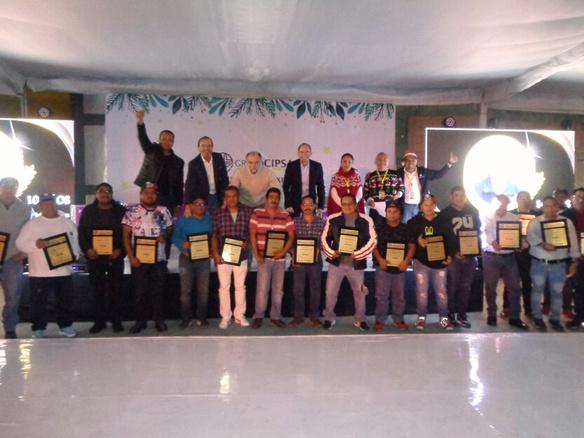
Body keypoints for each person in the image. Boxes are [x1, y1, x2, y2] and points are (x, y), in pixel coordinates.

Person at [15, 193, 79, 338]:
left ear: (55, 204)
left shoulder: (67, 223)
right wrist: (35, 245)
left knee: (65, 301)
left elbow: (75, 243)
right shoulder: (31, 224)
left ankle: (65, 326)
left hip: (63, 271)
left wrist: (74, 256)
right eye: (44, 204)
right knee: (38, 303)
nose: (48, 206)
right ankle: (38, 328)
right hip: (39, 272)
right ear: (40, 206)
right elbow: (20, 244)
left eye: (50, 203)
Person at [122, 182, 173, 334]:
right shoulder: (131, 212)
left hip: (159, 259)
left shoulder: (163, 211)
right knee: (139, 292)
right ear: (141, 195)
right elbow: (125, 236)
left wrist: (165, 235)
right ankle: (140, 321)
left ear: (156, 195)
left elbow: (170, 228)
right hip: (139, 260)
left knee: (159, 291)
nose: (149, 195)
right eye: (146, 193)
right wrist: (131, 257)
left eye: (152, 193)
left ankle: (159, 320)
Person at [321, 193, 376, 331]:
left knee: (360, 293)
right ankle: (329, 318)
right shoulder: (332, 219)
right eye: (344, 204)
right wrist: (331, 253)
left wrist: (358, 254)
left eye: (350, 203)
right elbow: (324, 239)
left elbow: (373, 240)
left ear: (355, 204)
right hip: (337, 263)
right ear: (341, 205)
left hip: (356, 264)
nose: (347, 206)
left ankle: (360, 319)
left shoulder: (366, 220)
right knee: (330, 292)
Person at [77, 183, 127, 333]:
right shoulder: (88, 210)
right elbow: (81, 233)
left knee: (116, 290)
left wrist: (121, 250)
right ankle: (99, 322)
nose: (105, 194)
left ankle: (116, 321)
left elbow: (127, 234)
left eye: (108, 191)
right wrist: (87, 250)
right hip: (95, 257)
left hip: (115, 257)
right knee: (97, 290)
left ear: (112, 193)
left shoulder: (121, 211)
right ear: (96, 194)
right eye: (101, 191)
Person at [527, 196, 579, 331]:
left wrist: (574, 261)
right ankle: (537, 318)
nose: (550, 209)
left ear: (557, 207)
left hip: (559, 264)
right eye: (547, 206)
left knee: (557, 292)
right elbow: (531, 238)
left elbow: (573, 242)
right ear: (543, 207)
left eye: (553, 206)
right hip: (539, 263)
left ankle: (555, 319)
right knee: (537, 291)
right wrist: (542, 244)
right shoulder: (535, 222)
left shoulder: (566, 222)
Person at [407, 195, 455, 331]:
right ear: (421, 207)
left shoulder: (444, 221)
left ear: (435, 205)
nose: (428, 207)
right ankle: (421, 318)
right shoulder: (413, 222)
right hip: (421, 262)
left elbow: (451, 240)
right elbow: (408, 240)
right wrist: (417, 241)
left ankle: (444, 319)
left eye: (431, 205)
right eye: (425, 205)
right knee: (421, 292)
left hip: (440, 263)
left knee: (441, 292)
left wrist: (450, 256)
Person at [482, 194, 528, 329]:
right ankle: (491, 315)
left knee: (514, 287)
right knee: (490, 288)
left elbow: (520, 237)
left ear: (508, 203)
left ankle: (515, 317)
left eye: (504, 202)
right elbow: (487, 233)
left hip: (509, 257)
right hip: (491, 256)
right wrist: (493, 242)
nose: (502, 205)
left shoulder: (514, 218)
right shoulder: (488, 216)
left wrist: (521, 244)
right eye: (499, 202)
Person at [250, 188, 295, 328]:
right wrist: (257, 254)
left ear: (279, 200)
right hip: (263, 258)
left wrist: (283, 252)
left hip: (280, 259)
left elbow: (291, 236)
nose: (274, 200)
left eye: (277, 197)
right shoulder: (257, 214)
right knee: (262, 289)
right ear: (266, 199)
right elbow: (252, 235)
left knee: (278, 290)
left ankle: (275, 316)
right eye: (271, 197)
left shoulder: (285, 215)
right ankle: (258, 316)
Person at [211, 186, 254, 329]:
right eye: (228, 196)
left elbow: (251, 233)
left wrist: (247, 242)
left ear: (238, 196)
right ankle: (225, 317)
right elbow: (214, 235)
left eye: (234, 196)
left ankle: (240, 316)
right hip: (223, 256)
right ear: (225, 198)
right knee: (224, 287)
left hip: (241, 255)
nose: (231, 199)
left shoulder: (247, 212)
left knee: (240, 286)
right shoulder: (218, 213)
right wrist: (215, 254)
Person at [440, 186, 481, 328]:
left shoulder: (473, 211)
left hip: (470, 257)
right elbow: (443, 237)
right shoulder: (445, 214)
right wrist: (453, 253)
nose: (459, 198)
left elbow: (477, 232)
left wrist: (476, 250)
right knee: (452, 287)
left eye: (462, 195)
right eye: (456, 195)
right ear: (451, 197)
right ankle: (450, 315)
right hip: (454, 258)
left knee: (465, 287)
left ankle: (462, 315)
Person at [372, 201, 415, 331]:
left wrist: (406, 262)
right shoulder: (379, 228)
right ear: (385, 213)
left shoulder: (406, 228)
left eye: (395, 211)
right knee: (381, 296)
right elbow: (373, 246)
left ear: (400, 214)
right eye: (389, 211)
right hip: (382, 267)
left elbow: (412, 246)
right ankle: (380, 320)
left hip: (400, 268)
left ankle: (398, 319)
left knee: (399, 296)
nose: (392, 214)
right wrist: (380, 260)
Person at [172, 195, 212, 328]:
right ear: (191, 206)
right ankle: (185, 318)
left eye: (202, 204)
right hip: (186, 258)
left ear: (206, 207)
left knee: (203, 291)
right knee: (185, 291)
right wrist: (182, 245)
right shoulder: (183, 219)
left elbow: (213, 236)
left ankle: (202, 318)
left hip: (204, 259)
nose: (200, 206)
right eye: (197, 203)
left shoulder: (209, 218)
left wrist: (211, 250)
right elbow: (174, 237)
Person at [134, 110, 184, 215]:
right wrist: (140, 121)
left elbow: (179, 185)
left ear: (173, 142)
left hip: (168, 199)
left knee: (166, 223)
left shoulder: (179, 162)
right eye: (164, 139)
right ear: (159, 140)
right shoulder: (151, 150)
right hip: (150, 195)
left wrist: (178, 204)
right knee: (147, 221)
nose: (167, 142)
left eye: (170, 140)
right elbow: (143, 138)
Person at [0, 177, 31, 339]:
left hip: (13, 259)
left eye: (13, 187)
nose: (9, 189)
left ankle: (10, 328)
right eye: (6, 186)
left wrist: (24, 253)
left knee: (12, 297)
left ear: (17, 189)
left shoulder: (25, 209)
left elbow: (30, 233)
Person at [503, 191, 540, 319]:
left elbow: (540, 233)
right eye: (522, 198)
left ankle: (528, 309)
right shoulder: (510, 214)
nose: (525, 200)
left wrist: (531, 241)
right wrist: (513, 243)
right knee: (510, 282)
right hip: (512, 253)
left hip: (530, 253)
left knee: (527, 282)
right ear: (517, 200)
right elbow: (505, 231)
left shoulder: (536, 215)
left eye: (527, 198)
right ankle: (507, 307)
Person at [290, 195, 326, 328]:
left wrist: (318, 249)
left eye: (310, 204)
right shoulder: (294, 222)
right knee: (298, 290)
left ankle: (314, 317)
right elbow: (290, 241)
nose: (307, 207)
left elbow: (325, 241)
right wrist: (293, 254)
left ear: (314, 206)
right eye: (305, 205)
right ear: (301, 207)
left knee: (315, 289)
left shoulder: (322, 222)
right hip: (299, 262)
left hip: (316, 261)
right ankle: (298, 317)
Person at [396, 149, 458, 223]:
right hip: (405, 206)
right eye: (408, 160)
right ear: (404, 162)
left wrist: (450, 163)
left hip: (420, 205)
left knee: (420, 225)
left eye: (413, 160)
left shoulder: (423, 171)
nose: (410, 162)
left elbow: (439, 174)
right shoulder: (398, 173)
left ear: (416, 161)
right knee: (406, 225)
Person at [183, 136, 229, 211]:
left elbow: (224, 179)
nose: (206, 148)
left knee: (218, 217)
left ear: (212, 147)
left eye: (209, 146)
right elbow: (189, 185)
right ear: (198, 148)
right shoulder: (194, 164)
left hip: (218, 196)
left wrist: (225, 197)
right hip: (202, 198)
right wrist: (187, 205)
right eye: (203, 146)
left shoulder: (218, 158)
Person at [282, 143, 325, 216]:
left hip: (310, 202)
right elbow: (285, 186)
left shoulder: (317, 166)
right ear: (298, 153)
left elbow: (320, 187)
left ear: (311, 153)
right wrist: (288, 205)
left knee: (310, 222)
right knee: (294, 222)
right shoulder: (291, 166)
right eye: (301, 152)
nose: (304, 154)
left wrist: (320, 206)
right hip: (294, 202)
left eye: (307, 152)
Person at [564, 188, 584, 329]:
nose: (581, 200)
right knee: (579, 289)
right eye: (578, 197)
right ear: (572, 199)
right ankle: (579, 317)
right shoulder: (565, 216)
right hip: (574, 259)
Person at [364, 152, 404, 216]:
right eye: (379, 160)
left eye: (385, 160)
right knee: (375, 222)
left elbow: (401, 187)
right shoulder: (370, 176)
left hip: (392, 206)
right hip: (375, 207)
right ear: (375, 162)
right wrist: (369, 200)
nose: (382, 162)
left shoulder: (396, 174)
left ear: (388, 162)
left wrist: (398, 195)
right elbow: (365, 191)